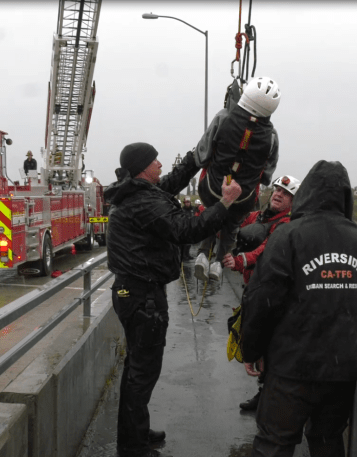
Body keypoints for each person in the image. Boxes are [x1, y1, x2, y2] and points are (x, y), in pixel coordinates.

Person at [105, 142, 242, 457]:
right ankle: (134, 448)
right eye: (155, 161)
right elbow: (189, 229)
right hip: (143, 298)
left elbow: (172, 182)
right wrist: (226, 202)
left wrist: (198, 155)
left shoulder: (138, 192)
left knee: (137, 369)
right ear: (142, 167)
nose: (161, 165)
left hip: (135, 293)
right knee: (143, 372)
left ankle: (135, 433)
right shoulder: (143, 202)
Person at [240, 160, 357, 457]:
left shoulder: (287, 236)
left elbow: (263, 300)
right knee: (327, 439)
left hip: (293, 364)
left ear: (306, 194)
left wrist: (250, 350)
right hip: (342, 366)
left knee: (275, 442)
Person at [222, 174, 300, 411]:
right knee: (259, 343)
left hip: (273, 294)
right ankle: (265, 394)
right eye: (277, 189)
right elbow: (238, 223)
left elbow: (267, 250)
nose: (278, 194)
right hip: (255, 289)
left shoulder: (286, 224)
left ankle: (270, 399)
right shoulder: (261, 217)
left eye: (286, 193)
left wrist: (241, 260)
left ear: (294, 201)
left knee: (269, 347)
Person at [192, 77, 282, 282]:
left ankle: (203, 253)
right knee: (231, 224)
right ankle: (219, 263)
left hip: (213, 189)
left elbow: (203, 153)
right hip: (244, 197)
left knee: (211, 212)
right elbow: (268, 171)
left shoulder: (223, 117)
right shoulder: (272, 135)